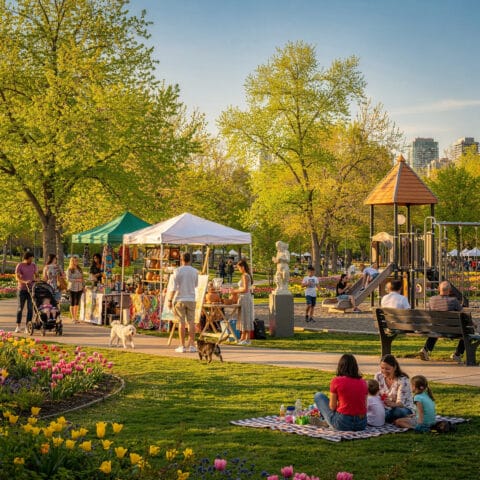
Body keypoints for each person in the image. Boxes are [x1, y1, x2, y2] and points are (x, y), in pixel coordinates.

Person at [313, 353, 368, 431]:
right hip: (361, 424)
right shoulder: (363, 382)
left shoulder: (336, 381)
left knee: (318, 395)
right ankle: (329, 421)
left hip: (343, 423)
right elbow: (364, 405)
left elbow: (332, 407)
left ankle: (329, 422)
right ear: (355, 367)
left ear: (340, 366)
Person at [417, 281, 464, 362]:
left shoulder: (432, 300)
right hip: (452, 330)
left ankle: (425, 349)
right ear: (449, 290)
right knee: (466, 332)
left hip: (436, 328)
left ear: (439, 289)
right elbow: (464, 315)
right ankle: (457, 354)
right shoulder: (454, 301)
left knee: (437, 327)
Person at [167, 252, 199, 353]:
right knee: (191, 322)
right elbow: (196, 284)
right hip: (191, 298)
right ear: (190, 260)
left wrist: (169, 300)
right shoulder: (195, 271)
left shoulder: (177, 271)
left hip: (179, 298)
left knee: (181, 323)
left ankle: (182, 345)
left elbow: (173, 288)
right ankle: (192, 345)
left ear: (181, 259)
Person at [374, 354, 414, 423]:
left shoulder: (403, 380)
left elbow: (401, 403)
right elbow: (374, 393)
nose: (384, 371)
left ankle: (382, 417)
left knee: (397, 412)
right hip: (384, 408)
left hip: (402, 408)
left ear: (394, 367)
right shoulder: (378, 376)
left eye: (387, 369)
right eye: (382, 368)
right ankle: (384, 416)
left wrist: (392, 404)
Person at [232, 259, 254, 345]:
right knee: (243, 317)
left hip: (245, 297)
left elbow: (245, 289)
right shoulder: (247, 275)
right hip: (244, 298)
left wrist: (235, 291)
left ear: (243, 267)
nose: (238, 269)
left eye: (239, 268)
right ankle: (243, 337)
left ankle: (247, 339)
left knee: (245, 317)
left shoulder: (245, 276)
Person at [15, 251, 38, 333]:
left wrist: (36, 279)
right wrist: (24, 282)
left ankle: (27, 326)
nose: (31, 261)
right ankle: (18, 326)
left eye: (32, 259)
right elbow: (17, 278)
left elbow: (36, 275)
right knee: (20, 308)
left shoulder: (33, 265)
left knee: (30, 308)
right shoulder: (20, 265)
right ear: (26, 258)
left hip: (31, 290)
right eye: (30, 259)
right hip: (22, 289)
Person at [66, 255, 84, 323]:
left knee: (77, 302)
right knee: (72, 302)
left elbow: (82, 278)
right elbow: (68, 279)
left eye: (77, 260)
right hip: (72, 287)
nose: (76, 262)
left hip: (79, 287)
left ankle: (76, 317)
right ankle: (73, 318)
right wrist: (76, 280)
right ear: (72, 262)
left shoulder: (79, 269)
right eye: (75, 261)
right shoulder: (69, 269)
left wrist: (83, 286)